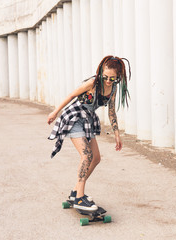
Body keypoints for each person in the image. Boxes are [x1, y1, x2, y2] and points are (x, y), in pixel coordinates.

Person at [47, 55, 130, 211]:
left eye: (112, 78)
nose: (108, 81)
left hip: (88, 120)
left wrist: (117, 134)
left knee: (96, 158)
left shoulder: (113, 88)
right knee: (87, 155)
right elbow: (71, 95)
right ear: (100, 72)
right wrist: (55, 112)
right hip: (74, 117)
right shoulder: (92, 83)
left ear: (118, 77)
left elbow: (111, 111)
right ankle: (79, 198)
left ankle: (75, 192)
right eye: (105, 77)